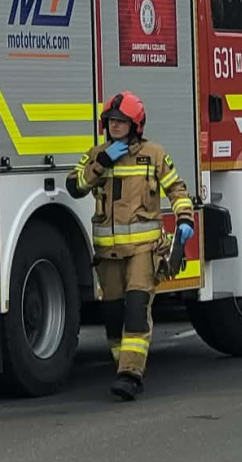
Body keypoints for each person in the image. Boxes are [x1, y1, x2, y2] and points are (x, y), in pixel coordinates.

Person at [66, 91, 195, 400]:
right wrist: (100, 164)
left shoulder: (154, 154)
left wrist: (185, 218)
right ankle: (122, 363)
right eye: (110, 121)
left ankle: (130, 374)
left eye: (121, 122)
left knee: (136, 309)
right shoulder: (97, 154)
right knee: (112, 316)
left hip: (143, 250)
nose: (115, 126)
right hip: (107, 254)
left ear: (136, 125)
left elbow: (176, 189)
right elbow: (74, 186)